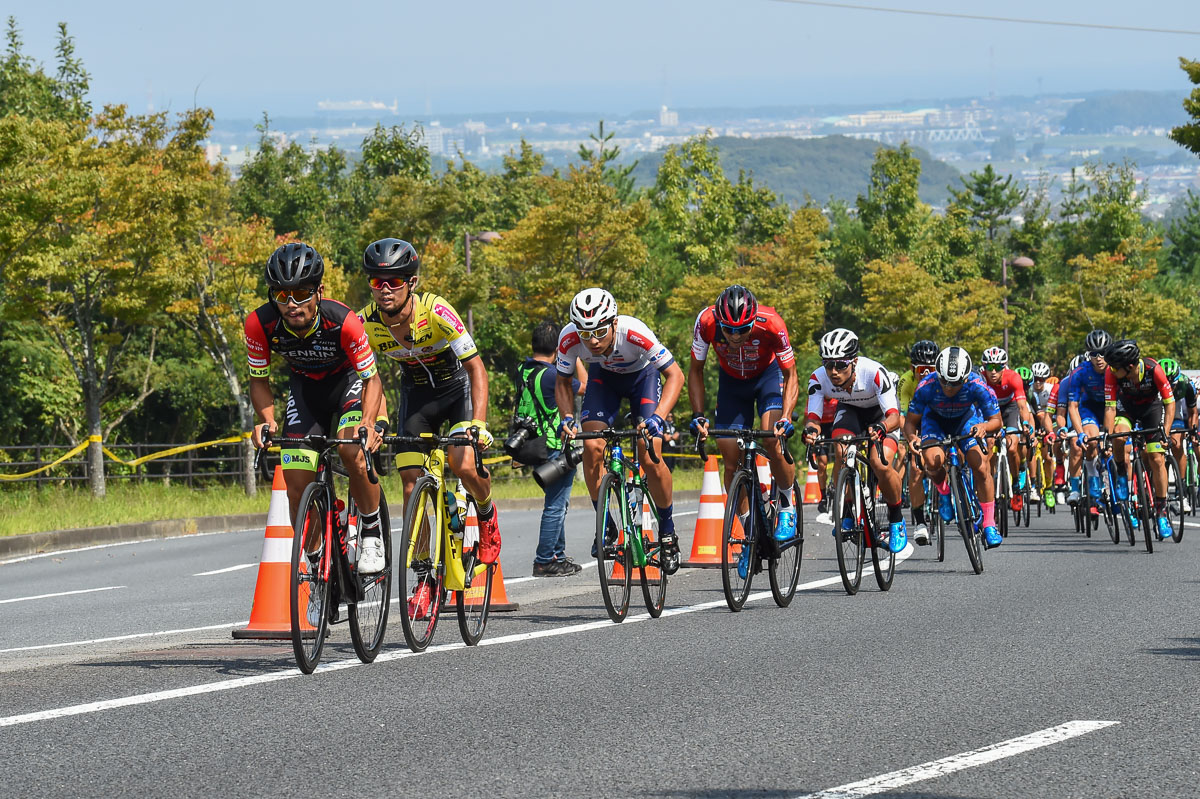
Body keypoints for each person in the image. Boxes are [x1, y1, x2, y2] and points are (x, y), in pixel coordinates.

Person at [357, 238, 500, 617]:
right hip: (416, 399)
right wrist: (374, 421)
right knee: (409, 481)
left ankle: (485, 514)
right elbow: (369, 379)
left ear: (412, 282)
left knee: (463, 464)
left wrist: (478, 424)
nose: (385, 289)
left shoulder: (436, 311)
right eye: (377, 282)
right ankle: (424, 579)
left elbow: (476, 368)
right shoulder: (365, 323)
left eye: (395, 281)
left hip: (458, 394)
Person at [246, 243, 386, 586]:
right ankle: (316, 561)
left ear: (319, 291)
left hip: (349, 384)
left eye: (301, 293)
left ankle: (370, 530)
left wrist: (368, 423)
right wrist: (266, 420)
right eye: (281, 294)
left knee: (350, 449)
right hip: (306, 390)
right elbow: (258, 379)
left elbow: (372, 378)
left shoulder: (345, 322)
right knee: (295, 478)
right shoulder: (258, 324)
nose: (291, 304)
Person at [555, 288, 685, 572]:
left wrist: (659, 418)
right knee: (591, 447)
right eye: (585, 334)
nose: (592, 341)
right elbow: (563, 382)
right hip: (605, 381)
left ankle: (667, 530)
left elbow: (676, 374)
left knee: (650, 455)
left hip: (643, 378)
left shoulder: (634, 332)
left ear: (614, 323)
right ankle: (606, 524)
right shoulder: (568, 337)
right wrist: (566, 415)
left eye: (600, 331)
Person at [688, 285, 799, 548]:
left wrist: (787, 416)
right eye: (729, 330)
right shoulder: (706, 322)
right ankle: (749, 529)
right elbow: (695, 371)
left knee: (773, 437)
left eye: (742, 330)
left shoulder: (771, 322)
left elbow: (791, 375)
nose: (735, 336)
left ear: (753, 320)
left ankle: (786, 504)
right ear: (719, 321)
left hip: (767, 379)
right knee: (730, 460)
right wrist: (698, 415)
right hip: (732, 384)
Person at [802, 328, 908, 553]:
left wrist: (881, 428)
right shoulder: (818, 378)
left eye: (840, 364)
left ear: (854, 362)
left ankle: (896, 519)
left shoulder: (874, 373)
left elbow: (894, 417)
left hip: (881, 414)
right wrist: (810, 431)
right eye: (828, 364)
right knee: (841, 449)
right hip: (850, 410)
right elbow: (813, 417)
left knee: (880, 462)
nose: (833, 371)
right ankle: (848, 510)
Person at [902, 346, 1004, 548]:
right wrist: (913, 438)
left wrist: (983, 426)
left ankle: (989, 523)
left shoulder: (977, 385)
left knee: (981, 466)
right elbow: (910, 422)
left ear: (966, 378)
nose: (948, 388)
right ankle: (944, 492)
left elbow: (996, 420)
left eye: (954, 383)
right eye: (944, 382)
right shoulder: (926, 385)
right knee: (932, 461)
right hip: (935, 422)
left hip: (965, 420)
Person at [517, 321, 587, 576]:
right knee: (556, 504)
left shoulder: (523, 370)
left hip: (533, 444)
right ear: (558, 347)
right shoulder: (551, 376)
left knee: (556, 501)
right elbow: (585, 385)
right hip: (554, 445)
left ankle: (557, 554)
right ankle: (545, 559)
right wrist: (574, 356)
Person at [1103, 339, 1176, 540]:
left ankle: (1161, 512)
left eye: (1115, 367)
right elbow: (1110, 407)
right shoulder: (1112, 374)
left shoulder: (1155, 370)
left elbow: (1170, 404)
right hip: (1126, 409)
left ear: (1130, 366)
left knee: (1157, 458)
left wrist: (1165, 434)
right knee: (1119, 434)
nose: (1110, 369)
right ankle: (1120, 473)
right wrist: (1106, 438)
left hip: (1151, 409)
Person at [979, 347, 1036, 512]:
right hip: (990, 410)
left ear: (1005, 367)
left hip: (1010, 408)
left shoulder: (1013, 378)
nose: (994, 371)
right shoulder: (980, 379)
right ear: (984, 367)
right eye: (990, 367)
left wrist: (1025, 423)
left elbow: (1022, 406)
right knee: (988, 443)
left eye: (998, 367)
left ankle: (1017, 482)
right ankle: (989, 485)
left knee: (1012, 447)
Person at [896, 339, 937, 544]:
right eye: (922, 369)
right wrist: (911, 438)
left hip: (936, 418)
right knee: (916, 466)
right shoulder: (906, 381)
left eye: (931, 368)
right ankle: (920, 522)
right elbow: (902, 416)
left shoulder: (940, 379)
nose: (926, 373)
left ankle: (946, 491)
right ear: (913, 368)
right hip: (915, 420)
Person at [1066, 329, 1113, 505]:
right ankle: (1093, 481)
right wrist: (1079, 433)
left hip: (1113, 407)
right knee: (1091, 441)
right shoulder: (1080, 372)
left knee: (1119, 444)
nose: (1099, 358)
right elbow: (1073, 406)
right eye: (1094, 354)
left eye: (1102, 353)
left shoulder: (1116, 369)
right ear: (1089, 355)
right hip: (1090, 408)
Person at [1159, 357, 1197, 511]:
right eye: (1165, 384)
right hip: (1156, 411)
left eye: (1172, 384)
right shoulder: (1152, 381)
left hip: (1175, 414)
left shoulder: (1186, 384)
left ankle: (1180, 493)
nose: (1170, 388)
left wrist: (1193, 431)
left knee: (1177, 443)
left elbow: (1192, 411)